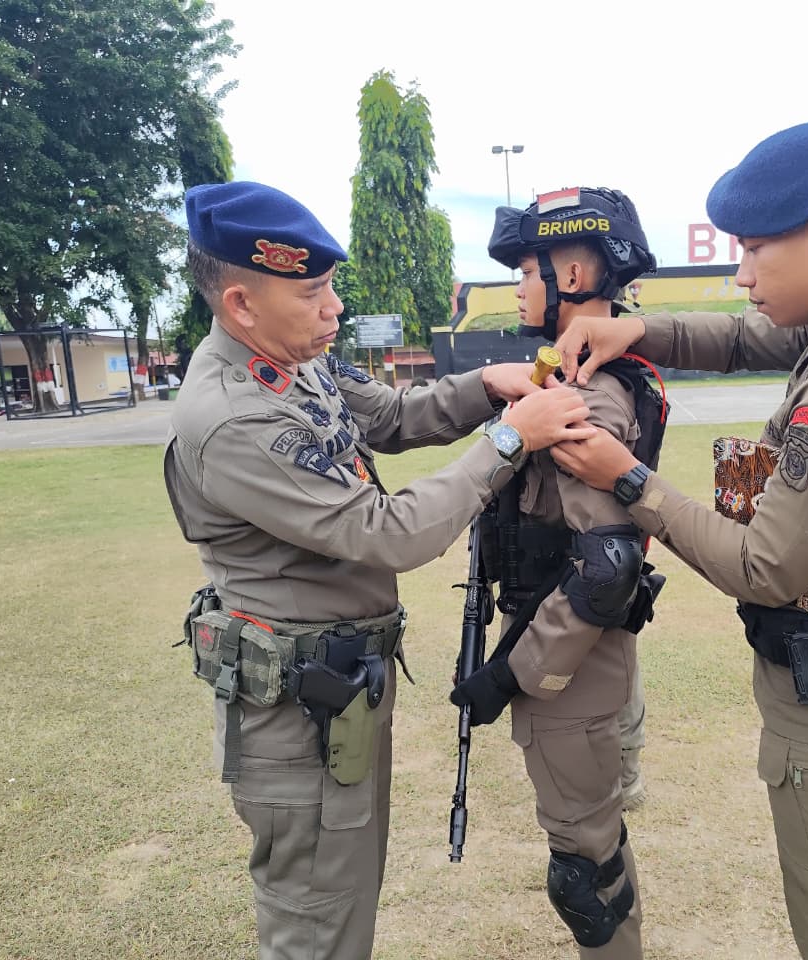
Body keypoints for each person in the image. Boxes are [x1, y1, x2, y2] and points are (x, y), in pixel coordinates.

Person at [549, 120, 808, 960]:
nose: (740, 275)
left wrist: (628, 478)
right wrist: (636, 329)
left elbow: (761, 566)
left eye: (754, 252)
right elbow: (744, 335)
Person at [163, 180, 595, 960]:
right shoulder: (235, 417)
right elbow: (388, 533)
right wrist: (508, 439)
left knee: (344, 901)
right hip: (297, 725)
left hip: (338, 701)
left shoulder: (292, 364)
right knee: (317, 926)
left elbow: (391, 417)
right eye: (314, 292)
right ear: (241, 303)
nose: (333, 308)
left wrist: (486, 387)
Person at [449, 187, 664, 958]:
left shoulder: (586, 394)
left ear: (573, 271)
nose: (517, 285)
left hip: (571, 672)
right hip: (565, 660)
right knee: (593, 846)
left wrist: (509, 674)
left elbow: (606, 568)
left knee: (586, 870)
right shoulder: (567, 380)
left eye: (528, 269)